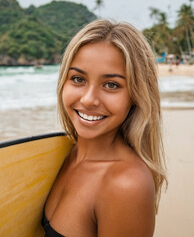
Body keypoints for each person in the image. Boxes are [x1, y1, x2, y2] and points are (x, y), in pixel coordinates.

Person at [42, 19, 167, 237]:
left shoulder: (126, 185)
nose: (89, 100)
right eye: (78, 79)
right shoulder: (64, 155)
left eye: (111, 85)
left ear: (136, 95)